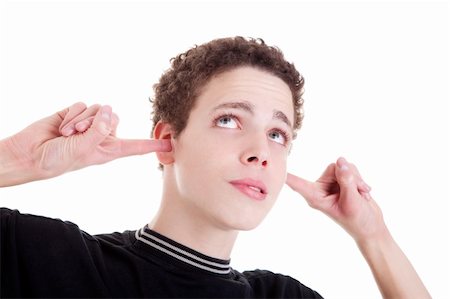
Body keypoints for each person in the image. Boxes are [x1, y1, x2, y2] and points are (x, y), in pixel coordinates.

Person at [0, 37, 430, 298]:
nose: (260, 152)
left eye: (277, 134)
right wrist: (19, 161)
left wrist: (374, 236)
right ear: (168, 142)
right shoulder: (50, 261)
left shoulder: (282, 296)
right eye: (229, 120)